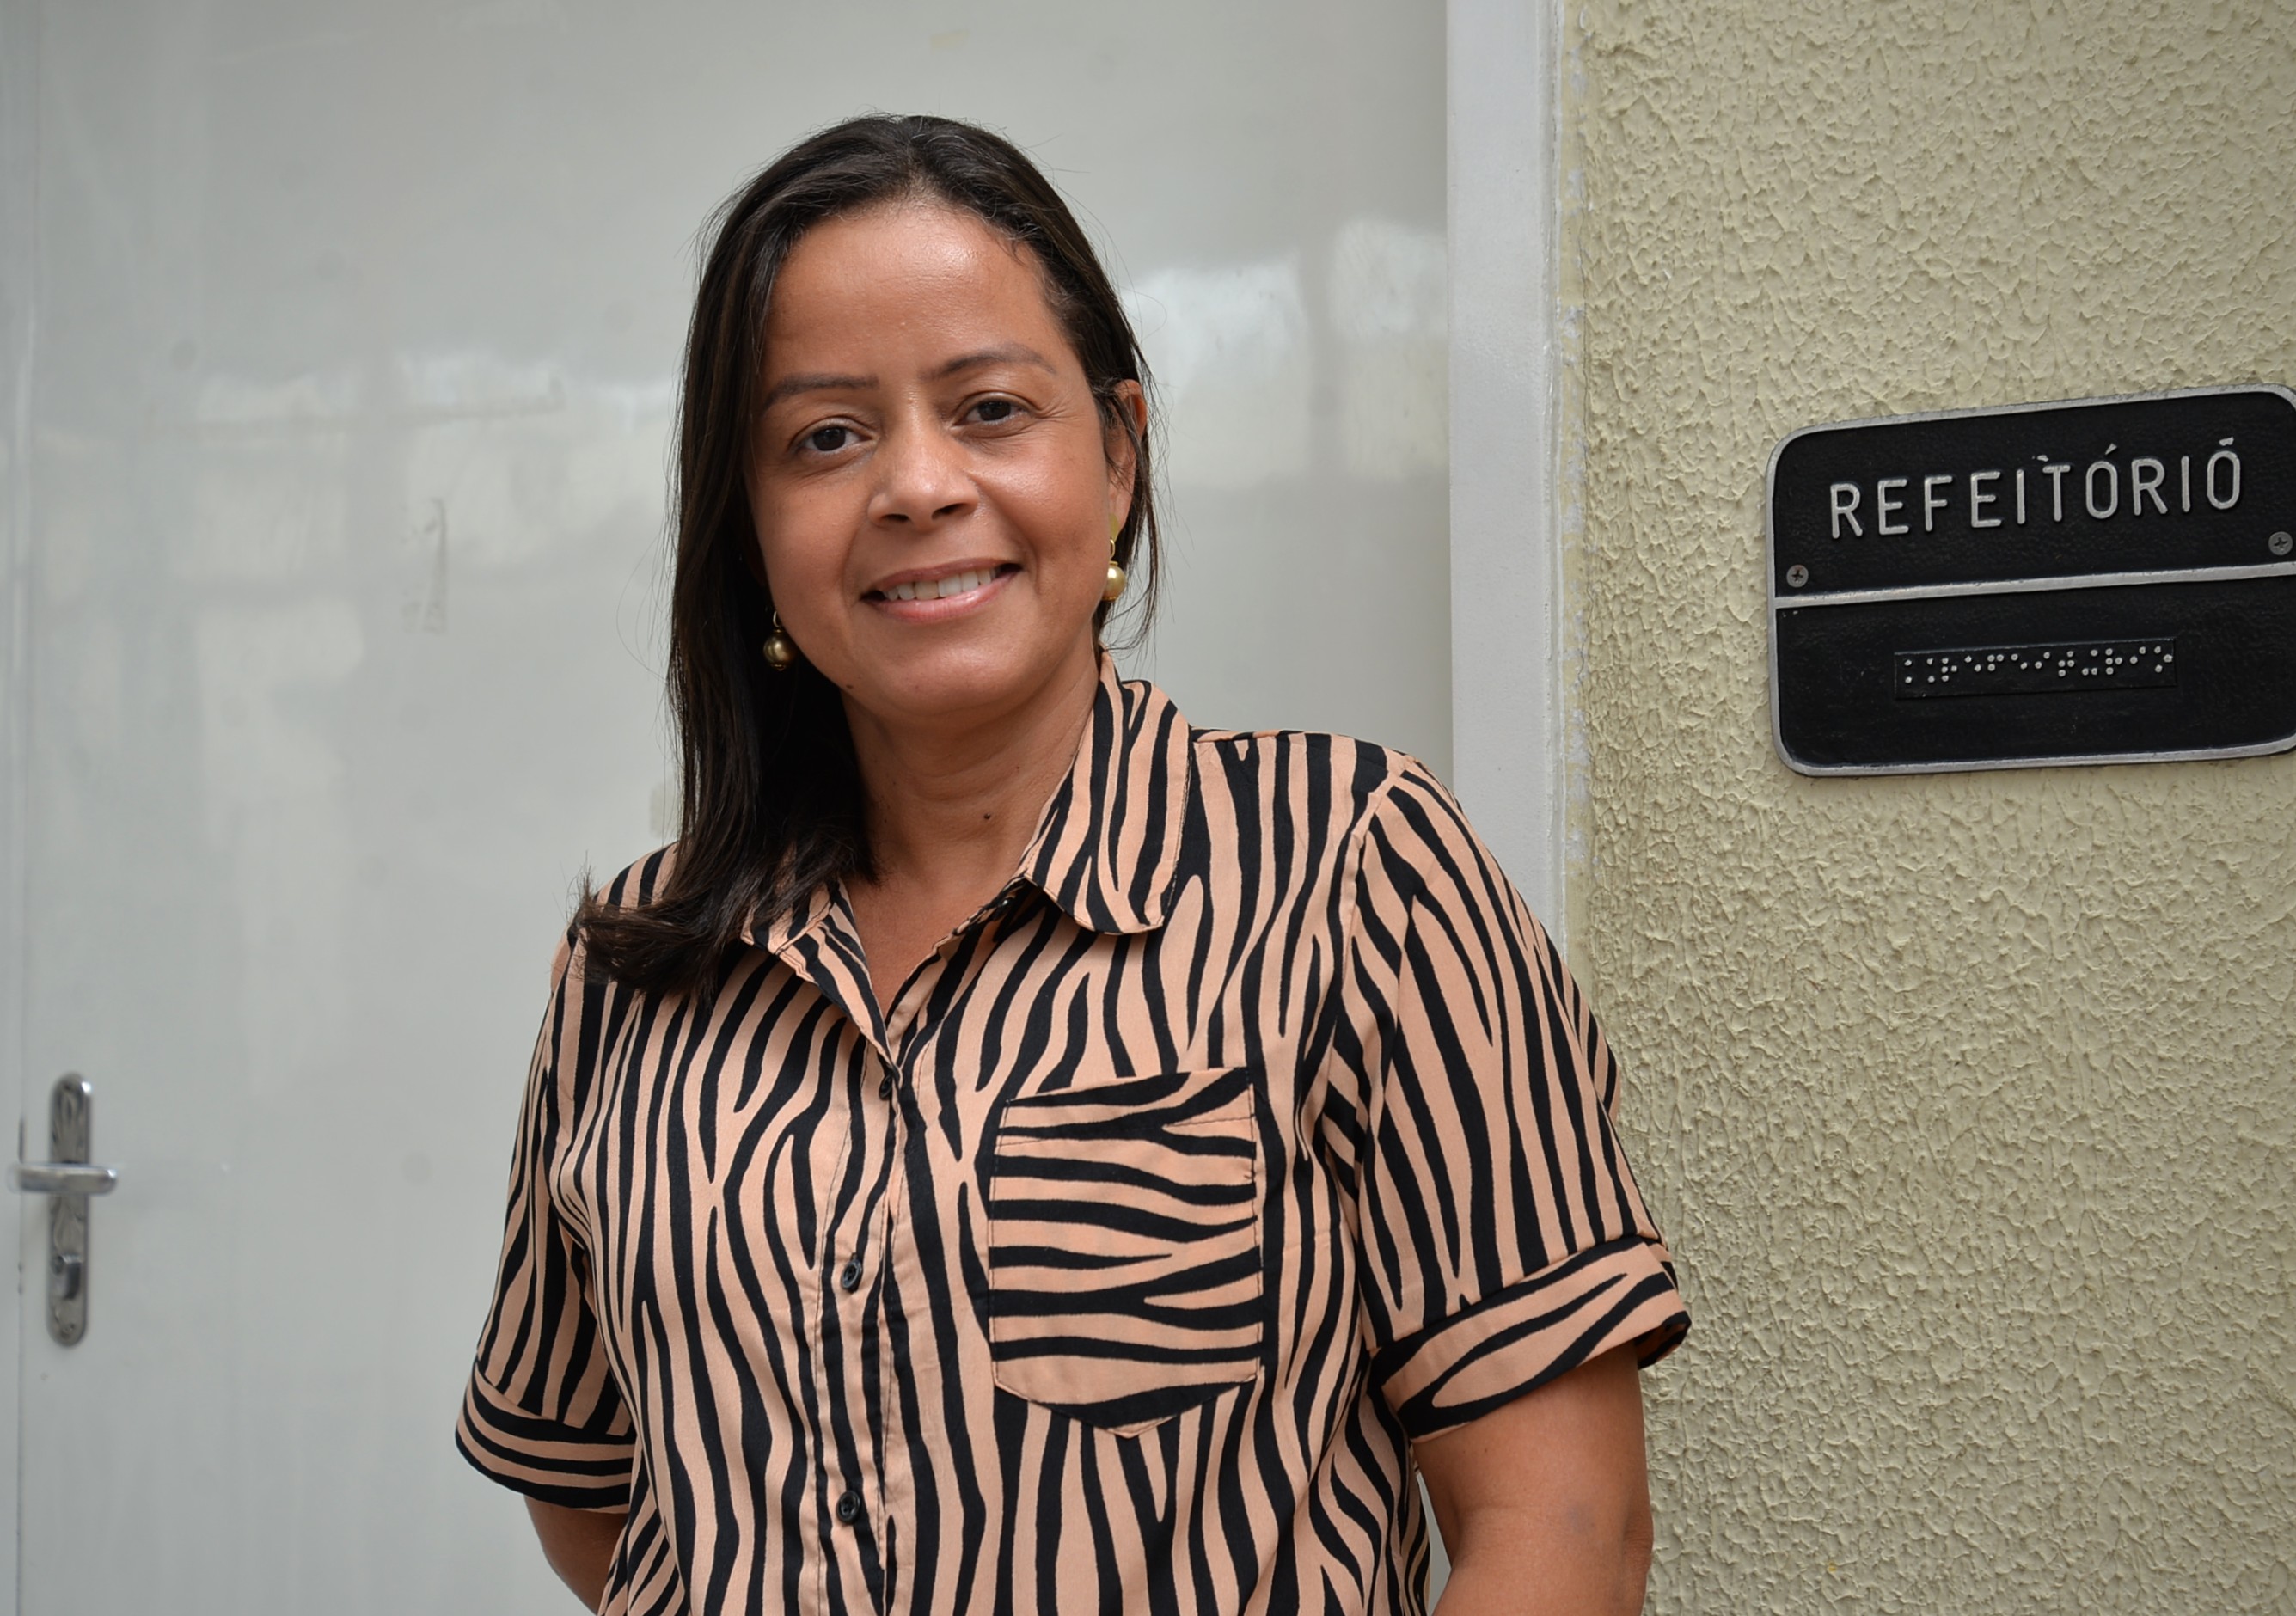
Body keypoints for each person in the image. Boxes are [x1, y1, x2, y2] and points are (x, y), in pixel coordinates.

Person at [456, 114, 1687, 1616]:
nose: (914, 486)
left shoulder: (1361, 876)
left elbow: (1561, 1533)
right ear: (751, 531)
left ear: (1118, 453)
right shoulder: (635, 960)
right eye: (824, 438)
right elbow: (591, 1496)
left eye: (987, 409)